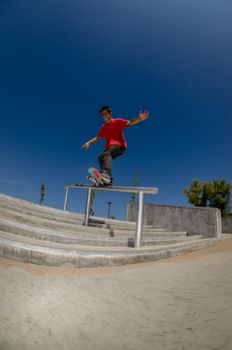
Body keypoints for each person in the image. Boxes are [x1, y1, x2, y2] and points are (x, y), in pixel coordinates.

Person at [82, 106, 149, 184]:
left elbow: (129, 122)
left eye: (105, 114)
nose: (104, 116)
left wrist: (139, 119)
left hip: (120, 146)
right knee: (100, 157)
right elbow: (97, 137)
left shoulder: (117, 121)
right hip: (110, 147)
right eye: (102, 115)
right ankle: (105, 180)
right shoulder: (103, 127)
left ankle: (106, 174)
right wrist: (88, 143)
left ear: (110, 113)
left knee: (106, 153)